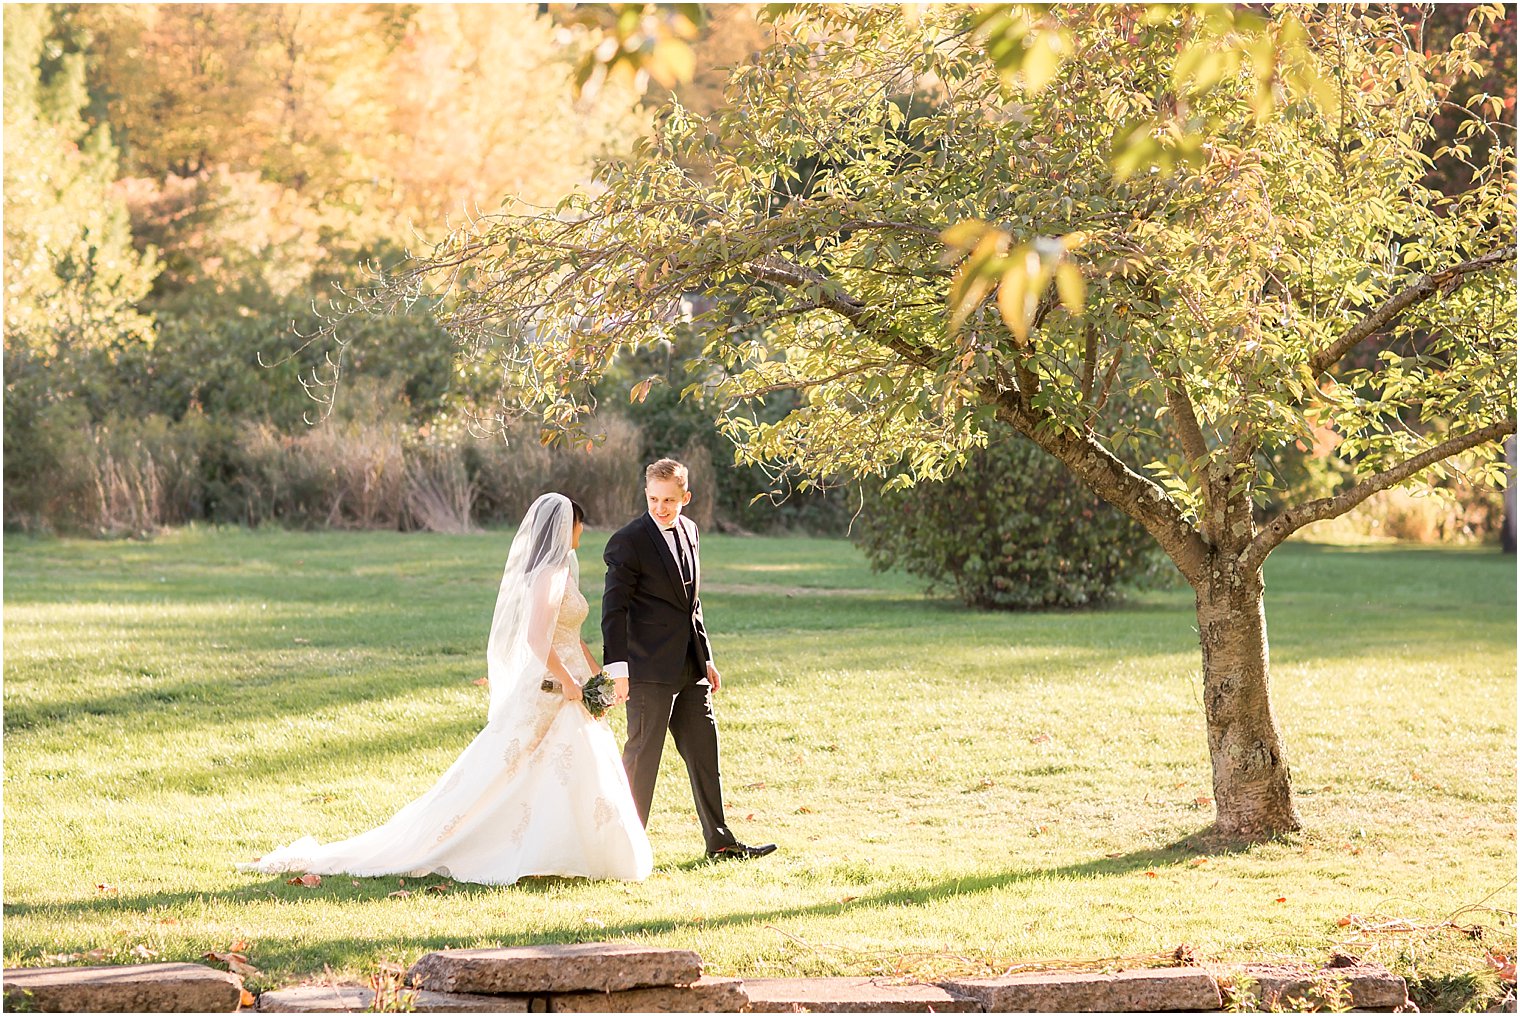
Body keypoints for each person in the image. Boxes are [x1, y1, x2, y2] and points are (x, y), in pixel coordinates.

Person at [239, 493, 652, 886]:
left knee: (566, 766)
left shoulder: (565, 569)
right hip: (551, 682)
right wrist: (565, 679)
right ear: (565, 527)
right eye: (578, 525)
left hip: (575, 681)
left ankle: (573, 850)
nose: (582, 532)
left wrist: (595, 674)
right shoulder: (547, 574)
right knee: (518, 766)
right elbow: (536, 637)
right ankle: (511, 845)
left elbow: (571, 632)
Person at [602, 458, 776, 862]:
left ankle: (720, 841)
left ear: (686, 497)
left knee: (704, 752)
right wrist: (618, 668)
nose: (660, 508)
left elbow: (690, 604)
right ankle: (622, 849)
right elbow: (614, 610)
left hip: (690, 667)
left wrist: (707, 657)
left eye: (669, 500)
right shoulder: (628, 541)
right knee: (643, 758)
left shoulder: (691, 531)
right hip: (646, 670)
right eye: (653, 499)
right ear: (645, 493)